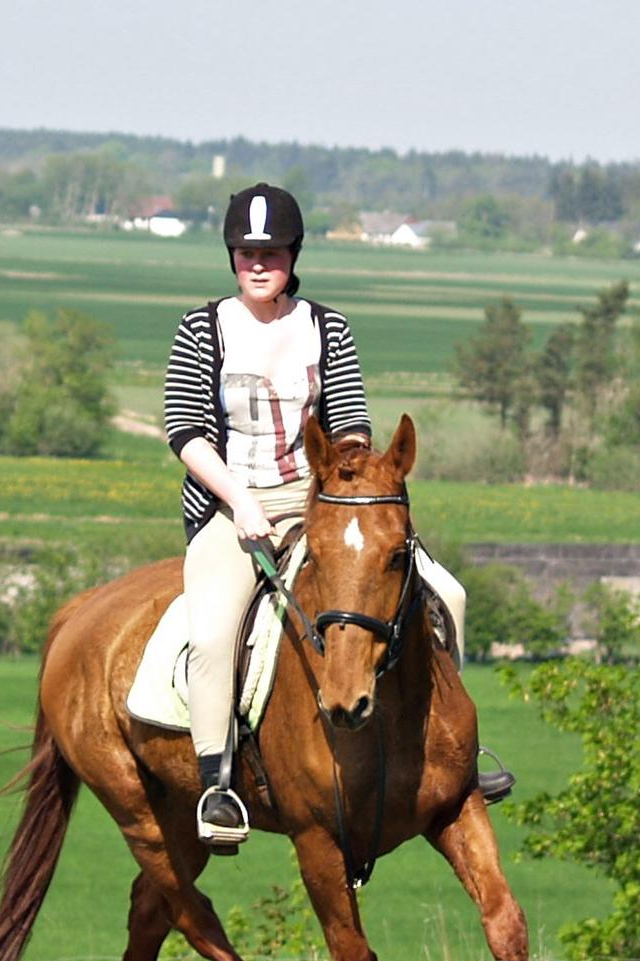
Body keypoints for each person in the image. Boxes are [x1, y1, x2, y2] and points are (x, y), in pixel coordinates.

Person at [163, 182, 513, 850]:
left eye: (270, 252)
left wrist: (353, 492)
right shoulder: (201, 327)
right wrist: (237, 501)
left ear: (294, 255)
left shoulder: (327, 327)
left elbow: (352, 423)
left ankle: (452, 746)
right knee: (212, 634)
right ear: (231, 257)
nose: (257, 263)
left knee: (449, 594)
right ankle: (217, 783)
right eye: (245, 251)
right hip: (233, 505)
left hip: (324, 500)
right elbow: (184, 431)